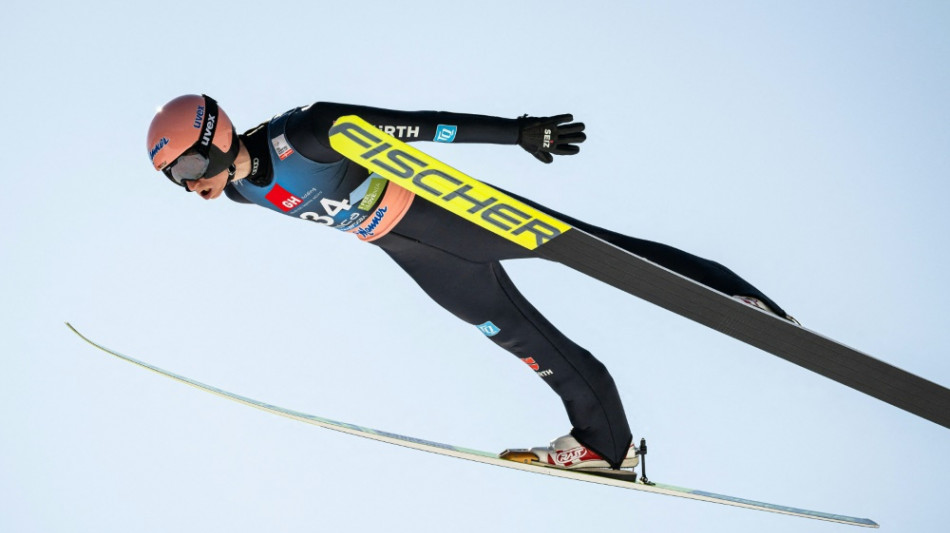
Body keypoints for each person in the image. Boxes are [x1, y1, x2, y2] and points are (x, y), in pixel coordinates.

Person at [146, 94, 796, 470]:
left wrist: (518, 133)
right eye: (178, 180)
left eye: (193, 164)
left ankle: (737, 300)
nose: (194, 185)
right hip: (416, 254)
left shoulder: (308, 132)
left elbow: (415, 125)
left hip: (450, 214)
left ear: (218, 133)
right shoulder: (239, 194)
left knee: (601, 252)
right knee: (525, 340)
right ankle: (607, 443)